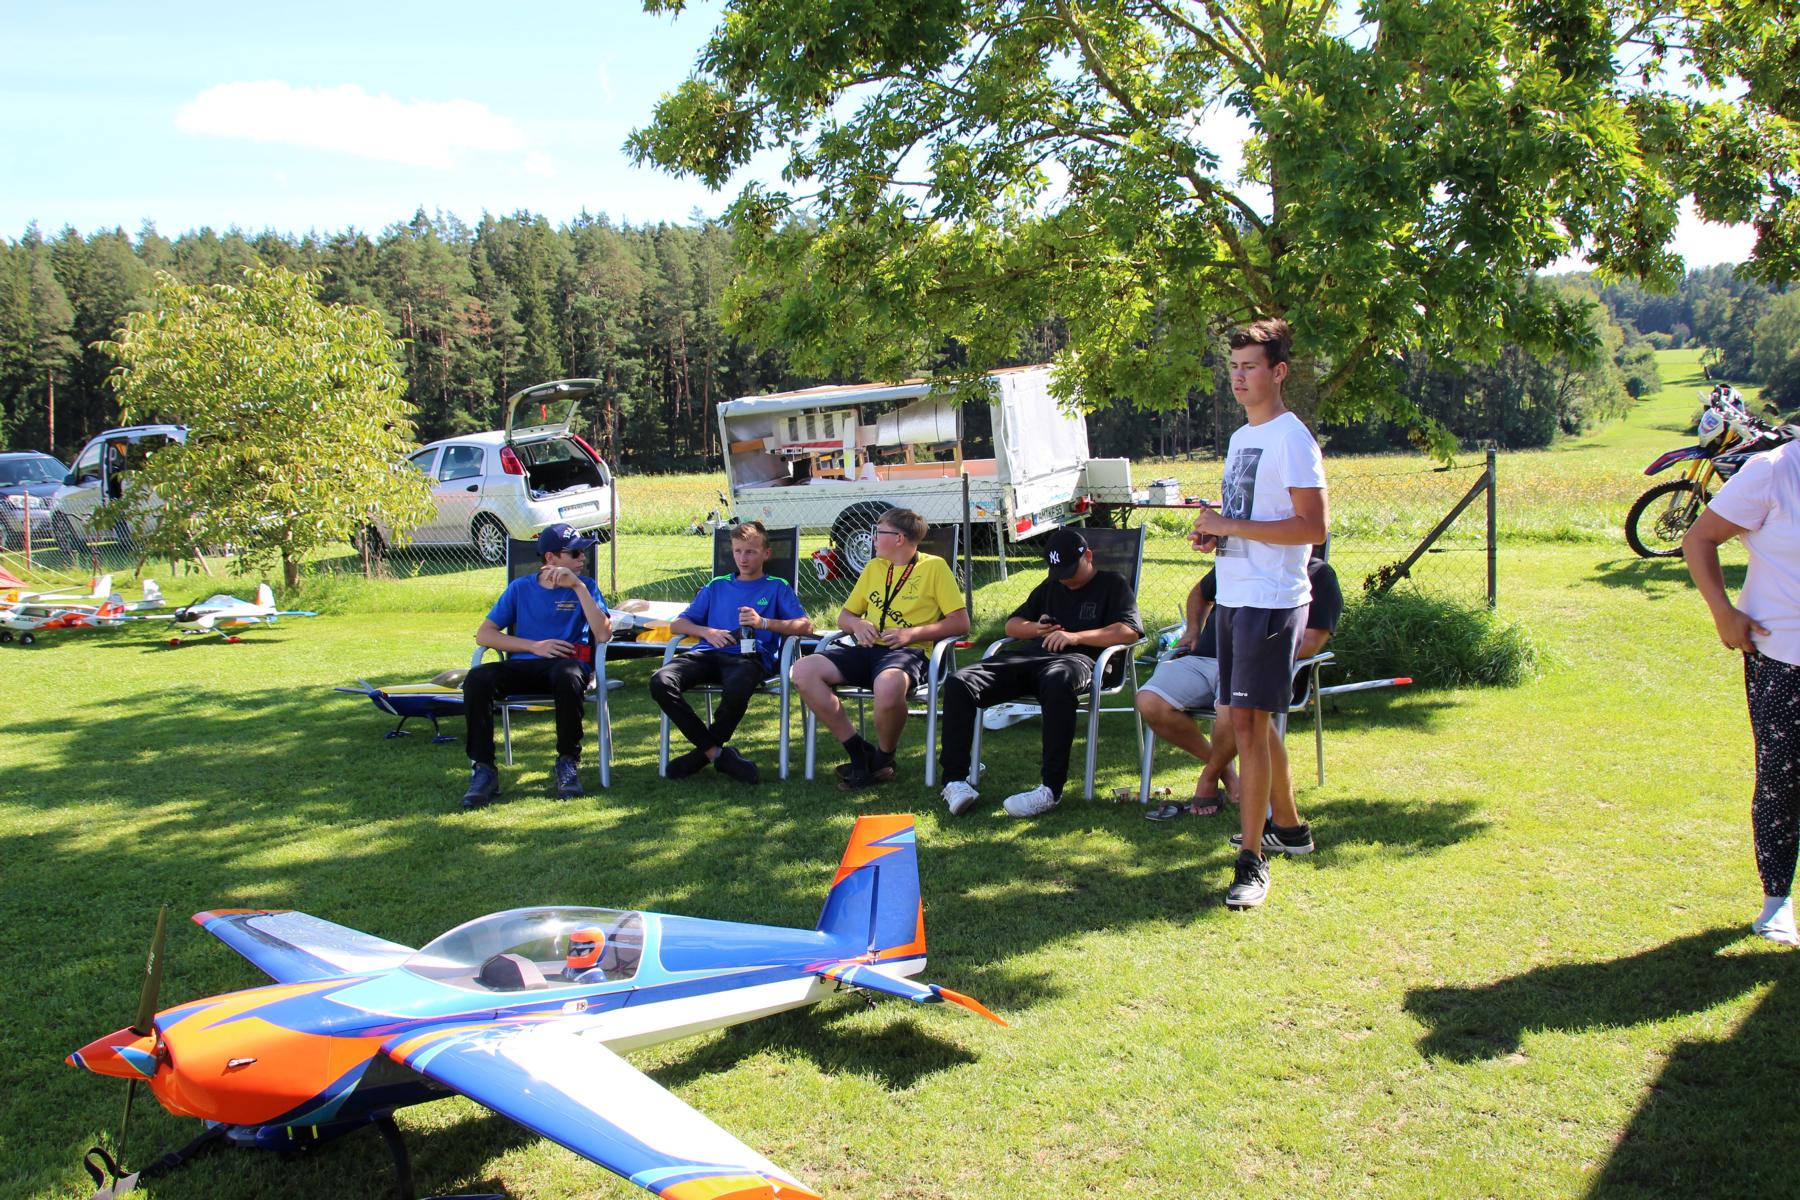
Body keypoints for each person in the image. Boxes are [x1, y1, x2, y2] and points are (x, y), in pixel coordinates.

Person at [1190, 317, 1328, 910]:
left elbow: (1312, 528)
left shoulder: (1293, 439)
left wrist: (1231, 525)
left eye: (1250, 367)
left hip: (1271, 600)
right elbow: (1249, 514)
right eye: (1234, 367)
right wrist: (1218, 533)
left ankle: (1252, 859)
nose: (1239, 377)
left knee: (1247, 726)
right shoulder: (1241, 437)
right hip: (1234, 593)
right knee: (1252, 723)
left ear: (1279, 372)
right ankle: (1289, 829)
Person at [1683, 437, 1800, 946]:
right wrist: (1723, 612)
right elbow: (1699, 539)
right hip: (1784, 656)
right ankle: (1777, 903)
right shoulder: (1774, 471)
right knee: (1782, 780)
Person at [938, 528, 1142, 817]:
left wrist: (1075, 637)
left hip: (1078, 661)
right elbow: (1012, 625)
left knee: (1057, 682)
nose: (1065, 579)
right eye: (1059, 573)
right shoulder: (1051, 585)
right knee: (960, 682)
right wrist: (1036, 629)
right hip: (1030, 658)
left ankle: (1050, 790)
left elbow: (1129, 631)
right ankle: (956, 781)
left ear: (1088, 556)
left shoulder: (1113, 584)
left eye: (1070, 571)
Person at [1137, 556, 1341, 823]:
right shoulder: (1238, 559)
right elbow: (1200, 593)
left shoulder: (1316, 574)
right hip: (1204, 659)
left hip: (1255, 666)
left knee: (1233, 710)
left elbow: (1311, 642)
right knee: (1149, 701)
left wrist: (1253, 655)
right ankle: (1227, 774)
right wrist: (1193, 629)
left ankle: (1209, 776)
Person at [791, 507, 969, 789]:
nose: (872, 538)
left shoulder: (934, 568)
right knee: (803, 670)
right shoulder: (874, 567)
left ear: (899, 538)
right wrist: (857, 624)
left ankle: (883, 758)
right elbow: (845, 616)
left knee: (887, 685)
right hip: (866, 649)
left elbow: (961, 623)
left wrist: (911, 634)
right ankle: (858, 752)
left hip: (909, 653)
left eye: (878, 532)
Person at [461, 523, 612, 810]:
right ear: (550, 558)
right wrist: (533, 646)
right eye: (575, 553)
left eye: (583, 552)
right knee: (478, 678)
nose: (583, 557)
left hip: (565, 667)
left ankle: (567, 762)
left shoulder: (587, 587)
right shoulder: (520, 588)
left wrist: (578, 587)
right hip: (524, 665)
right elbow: (485, 635)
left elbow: (603, 635)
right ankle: (484, 770)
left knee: (568, 676)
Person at [650, 521, 813, 785]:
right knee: (661, 681)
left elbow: (805, 626)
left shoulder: (777, 586)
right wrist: (707, 632)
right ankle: (715, 753)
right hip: (707, 653)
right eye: (737, 551)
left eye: (750, 552)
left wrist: (763, 623)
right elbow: (677, 625)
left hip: (748, 658)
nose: (742, 558)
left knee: (738, 687)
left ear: (766, 553)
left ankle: (700, 756)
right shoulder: (717, 585)